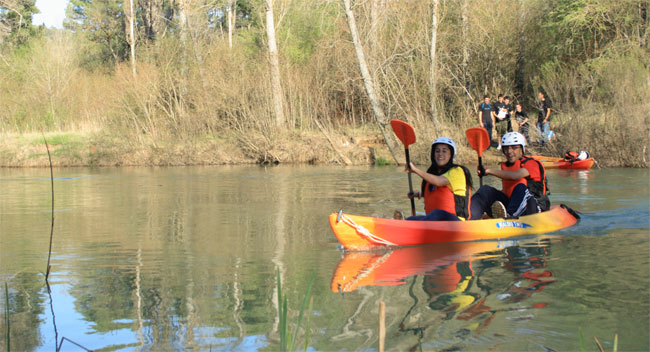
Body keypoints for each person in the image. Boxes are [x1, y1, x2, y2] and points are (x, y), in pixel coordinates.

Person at [469, 132, 550, 220]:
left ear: (522, 149)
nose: (509, 151)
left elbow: (515, 176)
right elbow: (507, 191)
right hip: (513, 205)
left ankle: (509, 217)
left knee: (520, 187)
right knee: (485, 190)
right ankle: (469, 217)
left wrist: (488, 171)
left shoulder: (532, 163)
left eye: (514, 148)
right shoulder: (506, 166)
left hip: (533, 208)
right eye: (506, 148)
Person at [404, 137, 473, 221]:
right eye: (437, 151)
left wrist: (415, 170)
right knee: (412, 219)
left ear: (451, 154)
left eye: (444, 151)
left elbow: (439, 182)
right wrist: (419, 194)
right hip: (436, 223)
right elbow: (438, 192)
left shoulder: (457, 171)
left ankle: (415, 226)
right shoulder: (433, 173)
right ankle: (403, 223)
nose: (440, 154)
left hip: (457, 223)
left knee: (438, 213)